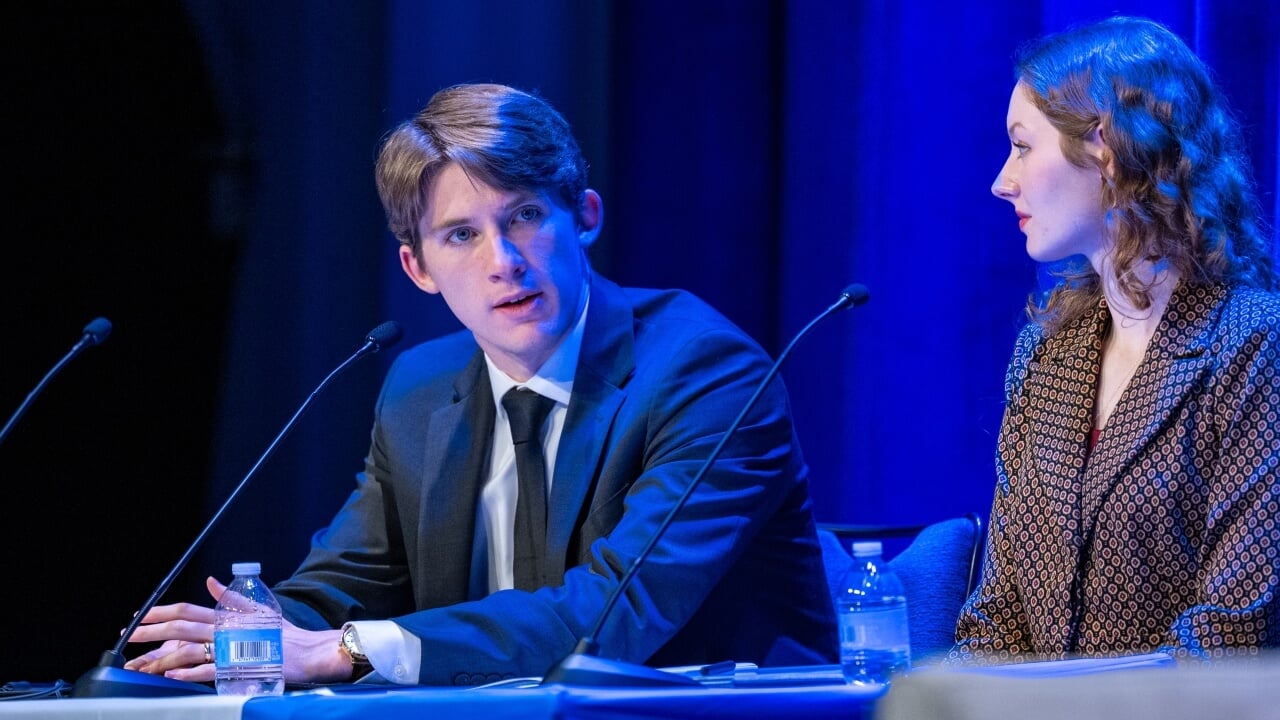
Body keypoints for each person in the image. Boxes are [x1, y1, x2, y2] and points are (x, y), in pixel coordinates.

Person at [123, 83, 837, 685]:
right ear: (419, 269)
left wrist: (348, 649)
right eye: (461, 235)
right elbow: (347, 584)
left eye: (524, 216)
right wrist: (250, 635)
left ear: (584, 217)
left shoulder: (705, 372)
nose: (503, 263)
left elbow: (618, 609)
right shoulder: (421, 388)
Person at [952, 16, 1279, 663]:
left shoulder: (1254, 346)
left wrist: (1073, 707)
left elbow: (1231, 633)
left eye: (1022, 146)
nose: (1002, 181)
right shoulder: (1045, 355)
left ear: (1105, 147)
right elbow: (994, 621)